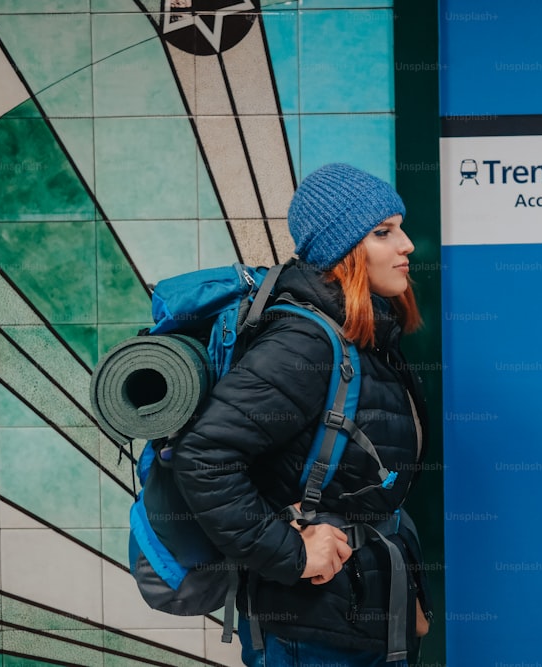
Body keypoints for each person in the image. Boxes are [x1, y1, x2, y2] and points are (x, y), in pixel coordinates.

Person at [171, 163, 433, 667]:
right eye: (383, 232)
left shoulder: (364, 335)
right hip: (313, 631)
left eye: (399, 228)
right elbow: (203, 456)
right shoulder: (305, 343)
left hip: (357, 616)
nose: (407, 246)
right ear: (344, 251)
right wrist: (290, 553)